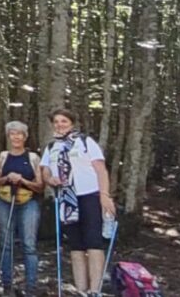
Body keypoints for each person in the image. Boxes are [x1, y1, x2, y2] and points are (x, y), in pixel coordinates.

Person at [40, 108, 114, 297]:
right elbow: (45, 171)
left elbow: (101, 170)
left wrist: (104, 195)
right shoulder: (51, 147)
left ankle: (95, 290)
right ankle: (81, 290)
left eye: (64, 121)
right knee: (76, 245)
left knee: (93, 242)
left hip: (89, 195)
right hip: (66, 200)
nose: (59, 125)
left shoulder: (85, 142)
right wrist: (50, 180)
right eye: (56, 122)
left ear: (72, 123)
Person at [0, 120, 43, 297]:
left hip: (29, 203)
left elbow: (40, 186)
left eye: (19, 134)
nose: (16, 137)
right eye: (12, 133)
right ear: (8, 136)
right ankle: (7, 286)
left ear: (25, 137)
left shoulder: (33, 158)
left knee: (29, 245)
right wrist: (7, 178)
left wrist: (23, 181)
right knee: (6, 243)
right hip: (5, 202)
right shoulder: (2, 157)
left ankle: (31, 287)